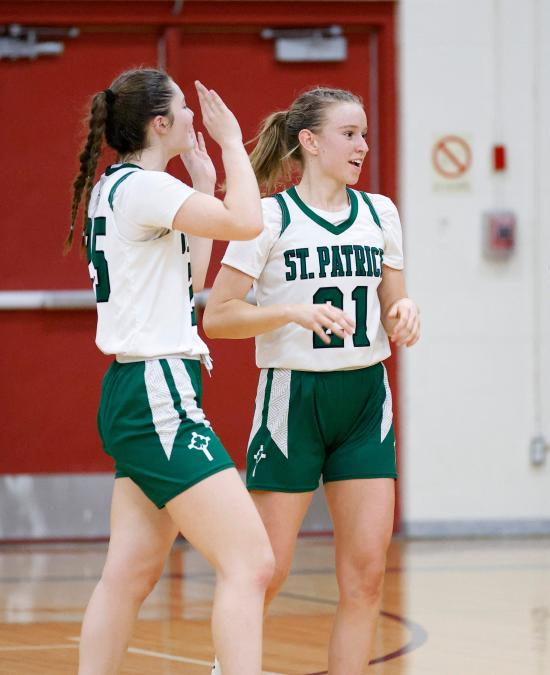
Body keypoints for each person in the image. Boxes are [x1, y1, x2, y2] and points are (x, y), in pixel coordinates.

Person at [202, 86, 419, 675]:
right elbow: (216, 318)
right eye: (350, 134)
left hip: (365, 398)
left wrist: (404, 313)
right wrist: (289, 312)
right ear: (310, 141)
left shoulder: (381, 213)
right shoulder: (270, 217)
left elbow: (395, 300)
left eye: (365, 134)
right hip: (292, 398)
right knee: (266, 570)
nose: (362, 146)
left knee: (367, 576)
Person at [68, 68, 274, 675]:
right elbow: (247, 222)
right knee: (251, 562)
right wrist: (234, 143)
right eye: (185, 110)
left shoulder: (119, 187)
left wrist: (206, 179)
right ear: (161, 124)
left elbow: (192, 282)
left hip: (141, 391)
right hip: (157, 392)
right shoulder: (143, 189)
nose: (195, 119)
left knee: (128, 573)